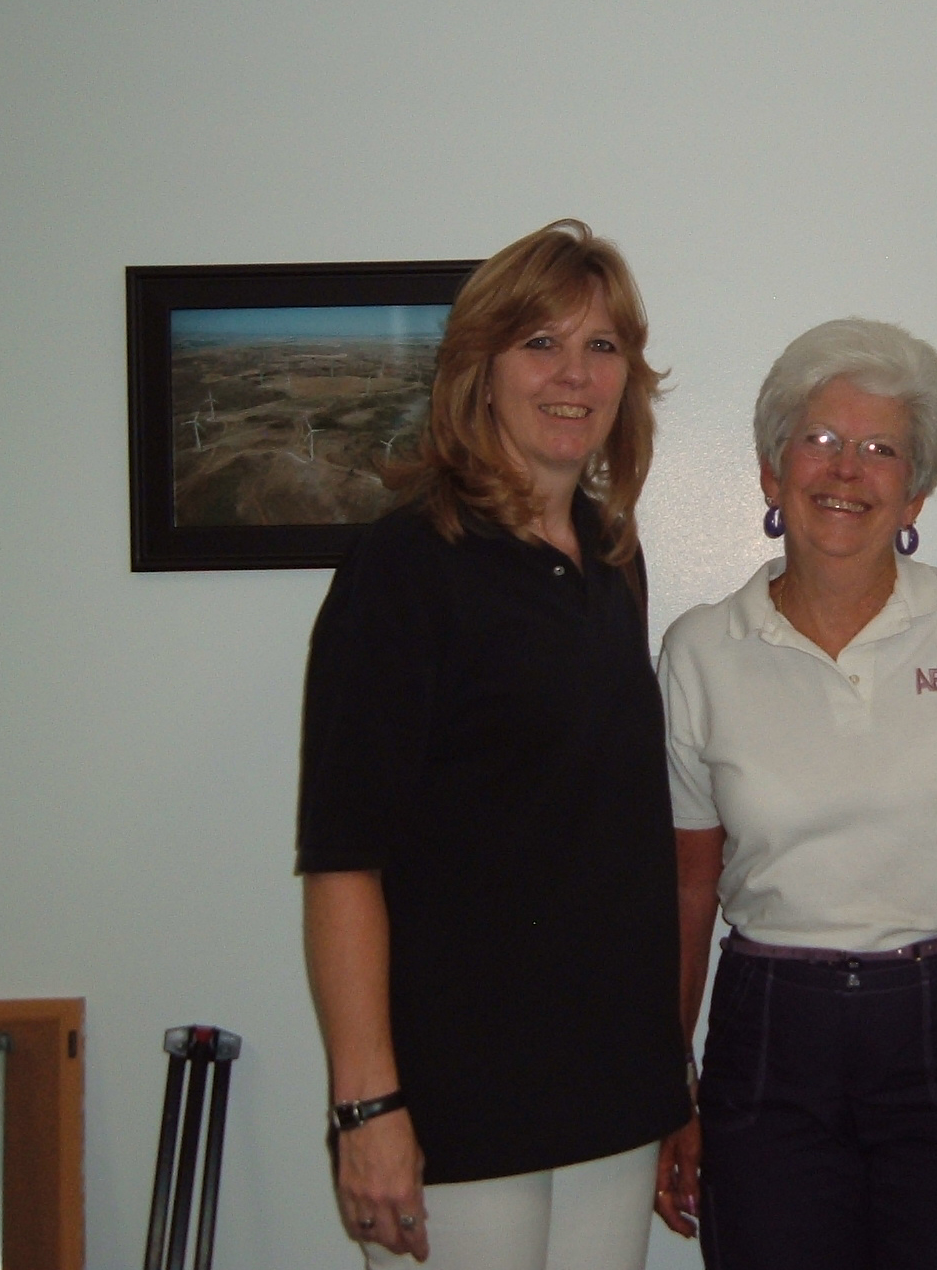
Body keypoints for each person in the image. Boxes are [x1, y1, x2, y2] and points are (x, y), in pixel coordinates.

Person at [296, 220, 690, 1269]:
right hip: (455, 1099)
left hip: (612, 1085)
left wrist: (669, 1075)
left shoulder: (613, 560)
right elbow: (343, 860)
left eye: (601, 346)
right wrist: (366, 1105)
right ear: (480, 369)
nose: (574, 375)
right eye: (540, 343)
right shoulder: (405, 567)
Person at [653, 318, 937, 1269]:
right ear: (771, 472)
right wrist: (670, 1080)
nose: (847, 470)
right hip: (772, 1035)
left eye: (881, 450)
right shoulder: (700, 651)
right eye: (822, 439)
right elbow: (687, 887)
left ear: (916, 492)